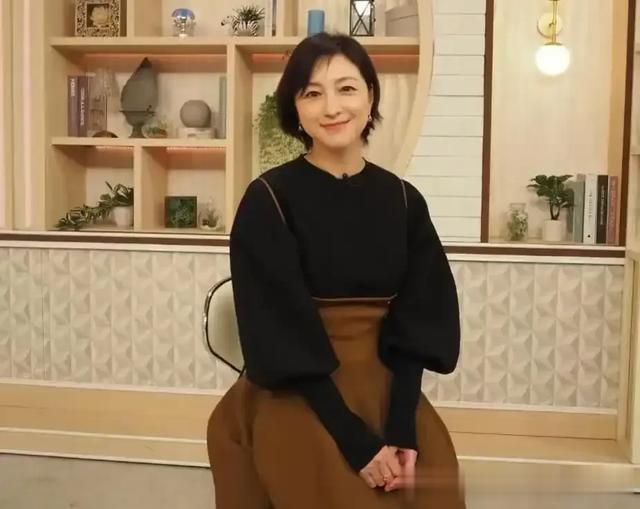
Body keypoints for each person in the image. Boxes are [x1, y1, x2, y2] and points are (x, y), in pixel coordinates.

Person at [207, 32, 465, 509]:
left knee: (437, 484)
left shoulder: (404, 201)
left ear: (370, 96)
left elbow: (420, 321)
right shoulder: (268, 199)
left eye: (346, 88)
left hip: (387, 382)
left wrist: (402, 429)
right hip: (297, 388)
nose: (331, 108)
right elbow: (277, 332)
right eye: (312, 93)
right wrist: (356, 443)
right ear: (295, 108)